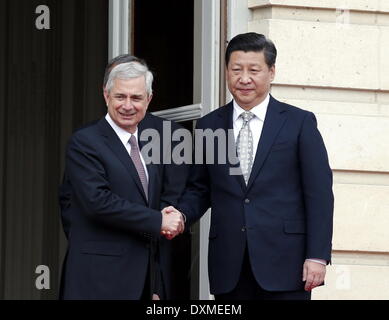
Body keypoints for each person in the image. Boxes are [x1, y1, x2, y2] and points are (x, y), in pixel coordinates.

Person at [167, 32, 334, 300]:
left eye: (253, 70)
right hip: (229, 267)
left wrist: (317, 256)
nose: (244, 79)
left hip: (286, 265)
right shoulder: (210, 125)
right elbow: (200, 189)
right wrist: (182, 215)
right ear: (226, 72)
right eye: (236, 70)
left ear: (271, 72)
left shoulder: (298, 122)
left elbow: (319, 195)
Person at [59, 57, 188, 300]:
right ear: (106, 95)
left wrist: (156, 284)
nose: (128, 105)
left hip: (143, 281)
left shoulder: (153, 144)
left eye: (136, 98)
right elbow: (97, 202)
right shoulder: (85, 142)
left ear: (149, 99)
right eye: (120, 97)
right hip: (98, 280)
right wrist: (158, 220)